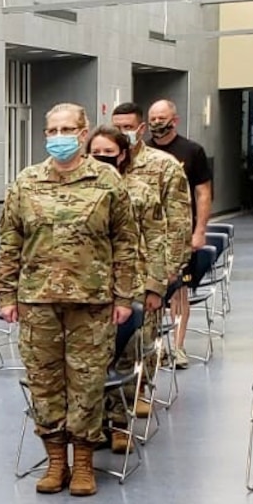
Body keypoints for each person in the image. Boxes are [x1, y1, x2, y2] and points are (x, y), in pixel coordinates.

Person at [0, 104, 139, 497]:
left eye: (68, 129)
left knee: (88, 384)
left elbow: (125, 241)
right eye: (52, 129)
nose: (59, 136)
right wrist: (6, 293)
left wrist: (125, 295)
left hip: (91, 304)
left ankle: (85, 463)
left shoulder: (106, 179)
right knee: (44, 384)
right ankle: (56, 461)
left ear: (84, 131)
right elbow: (10, 242)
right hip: (37, 301)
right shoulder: (26, 182)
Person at [86, 126, 167, 455]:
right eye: (95, 152)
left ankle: (120, 424)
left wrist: (156, 286)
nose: (102, 158)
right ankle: (95, 425)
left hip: (132, 287)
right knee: (92, 360)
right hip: (90, 290)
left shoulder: (141, 191)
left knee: (128, 355)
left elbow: (158, 239)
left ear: (123, 155)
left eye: (109, 152)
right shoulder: (81, 191)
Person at [109, 102, 191, 382]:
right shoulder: (101, 166)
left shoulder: (163, 166)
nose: (122, 133)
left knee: (142, 338)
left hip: (147, 271)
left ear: (141, 129)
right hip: (108, 274)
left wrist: (167, 273)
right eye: (116, 128)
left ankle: (140, 391)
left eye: (128, 128)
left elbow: (177, 223)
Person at [145, 99, 213, 368]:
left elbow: (203, 192)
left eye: (162, 117)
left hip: (181, 234)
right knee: (153, 293)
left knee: (178, 291)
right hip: (151, 237)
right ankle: (154, 347)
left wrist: (200, 230)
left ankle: (178, 346)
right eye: (152, 118)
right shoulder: (144, 151)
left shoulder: (192, 151)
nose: (156, 123)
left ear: (175, 120)